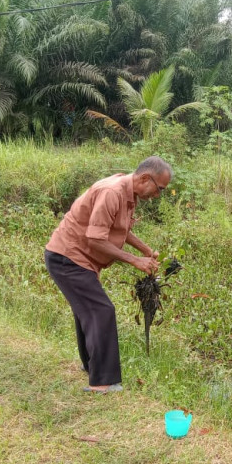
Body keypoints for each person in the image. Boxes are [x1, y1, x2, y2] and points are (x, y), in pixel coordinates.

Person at [45, 157, 171, 393]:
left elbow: (120, 229)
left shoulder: (127, 193)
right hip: (68, 258)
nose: (157, 196)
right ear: (145, 178)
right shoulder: (112, 192)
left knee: (88, 311)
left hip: (78, 259)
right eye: (159, 189)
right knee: (101, 310)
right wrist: (135, 260)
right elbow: (95, 239)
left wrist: (146, 250)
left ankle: (92, 366)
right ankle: (102, 382)